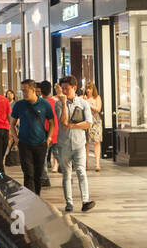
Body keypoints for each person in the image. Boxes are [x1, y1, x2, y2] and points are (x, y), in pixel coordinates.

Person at [58, 76, 95, 213]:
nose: (64, 91)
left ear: (74, 88)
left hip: (79, 144)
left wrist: (73, 125)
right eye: (62, 88)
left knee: (81, 171)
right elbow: (63, 122)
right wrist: (63, 104)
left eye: (66, 88)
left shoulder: (83, 103)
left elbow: (88, 123)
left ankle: (85, 200)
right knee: (66, 174)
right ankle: (69, 203)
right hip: (64, 144)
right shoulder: (58, 104)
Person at [10, 79, 53, 194]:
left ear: (33, 90)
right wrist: (16, 139)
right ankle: (30, 200)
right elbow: (12, 124)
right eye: (22, 90)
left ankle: (37, 197)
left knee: (38, 174)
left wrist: (48, 139)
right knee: (28, 174)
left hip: (41, 144)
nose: (23, 93)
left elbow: (52, 123)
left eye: (25, 90)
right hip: (24, 144)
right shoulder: (19, 105)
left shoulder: (45, 104)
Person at [39, 80, 61, 173]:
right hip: (57, 133)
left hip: (45, 134)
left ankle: (44, 178)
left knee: (43, 157)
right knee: (59, 156)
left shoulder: (41, 103)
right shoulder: (56, 102)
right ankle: (68, 176)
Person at [83, 81, 104, 170]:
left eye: (90, 89)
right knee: (86, 143)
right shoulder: (83, 98)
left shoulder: (97, 98)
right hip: (86, 122)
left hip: (96, 122)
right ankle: (86, 164)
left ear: (93, 89)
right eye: (87, 88)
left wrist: (88, 104)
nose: (88, 90)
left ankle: (97, 164)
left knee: (97, 142)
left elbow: (98, 109)